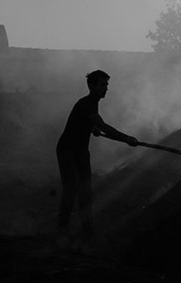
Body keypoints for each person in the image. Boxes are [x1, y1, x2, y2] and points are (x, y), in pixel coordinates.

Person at [55, 69, 138, 239]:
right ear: (91, 86)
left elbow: (89, 122)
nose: (105, 88)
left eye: (106, 85)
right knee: (71, 189)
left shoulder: (92, 102)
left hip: (81, 150)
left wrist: (92, 128)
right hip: (68, 150)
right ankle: (62, 229)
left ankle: (86, 229)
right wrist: (126, 138)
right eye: (102, 85)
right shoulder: (86, 103)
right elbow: (104, 126)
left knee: (86, 191)